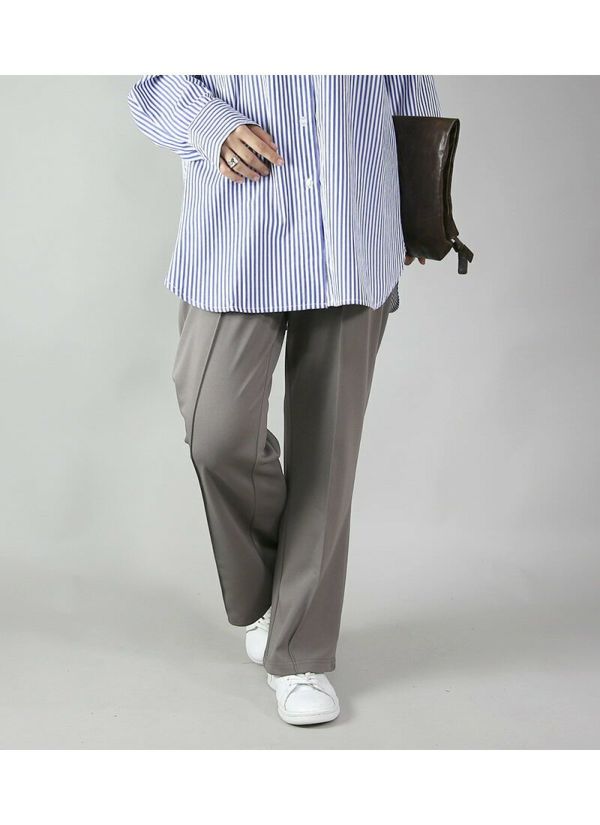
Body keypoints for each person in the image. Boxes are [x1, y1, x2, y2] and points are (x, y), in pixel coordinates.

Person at [127, 74, 441, 726]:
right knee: (216, 431)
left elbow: (409, 77)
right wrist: (213, 127)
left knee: (327, 453)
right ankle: (269, 597)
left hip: (355, 221)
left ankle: (300, 654)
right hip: (239, 229)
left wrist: (420, 203)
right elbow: (154, 73)